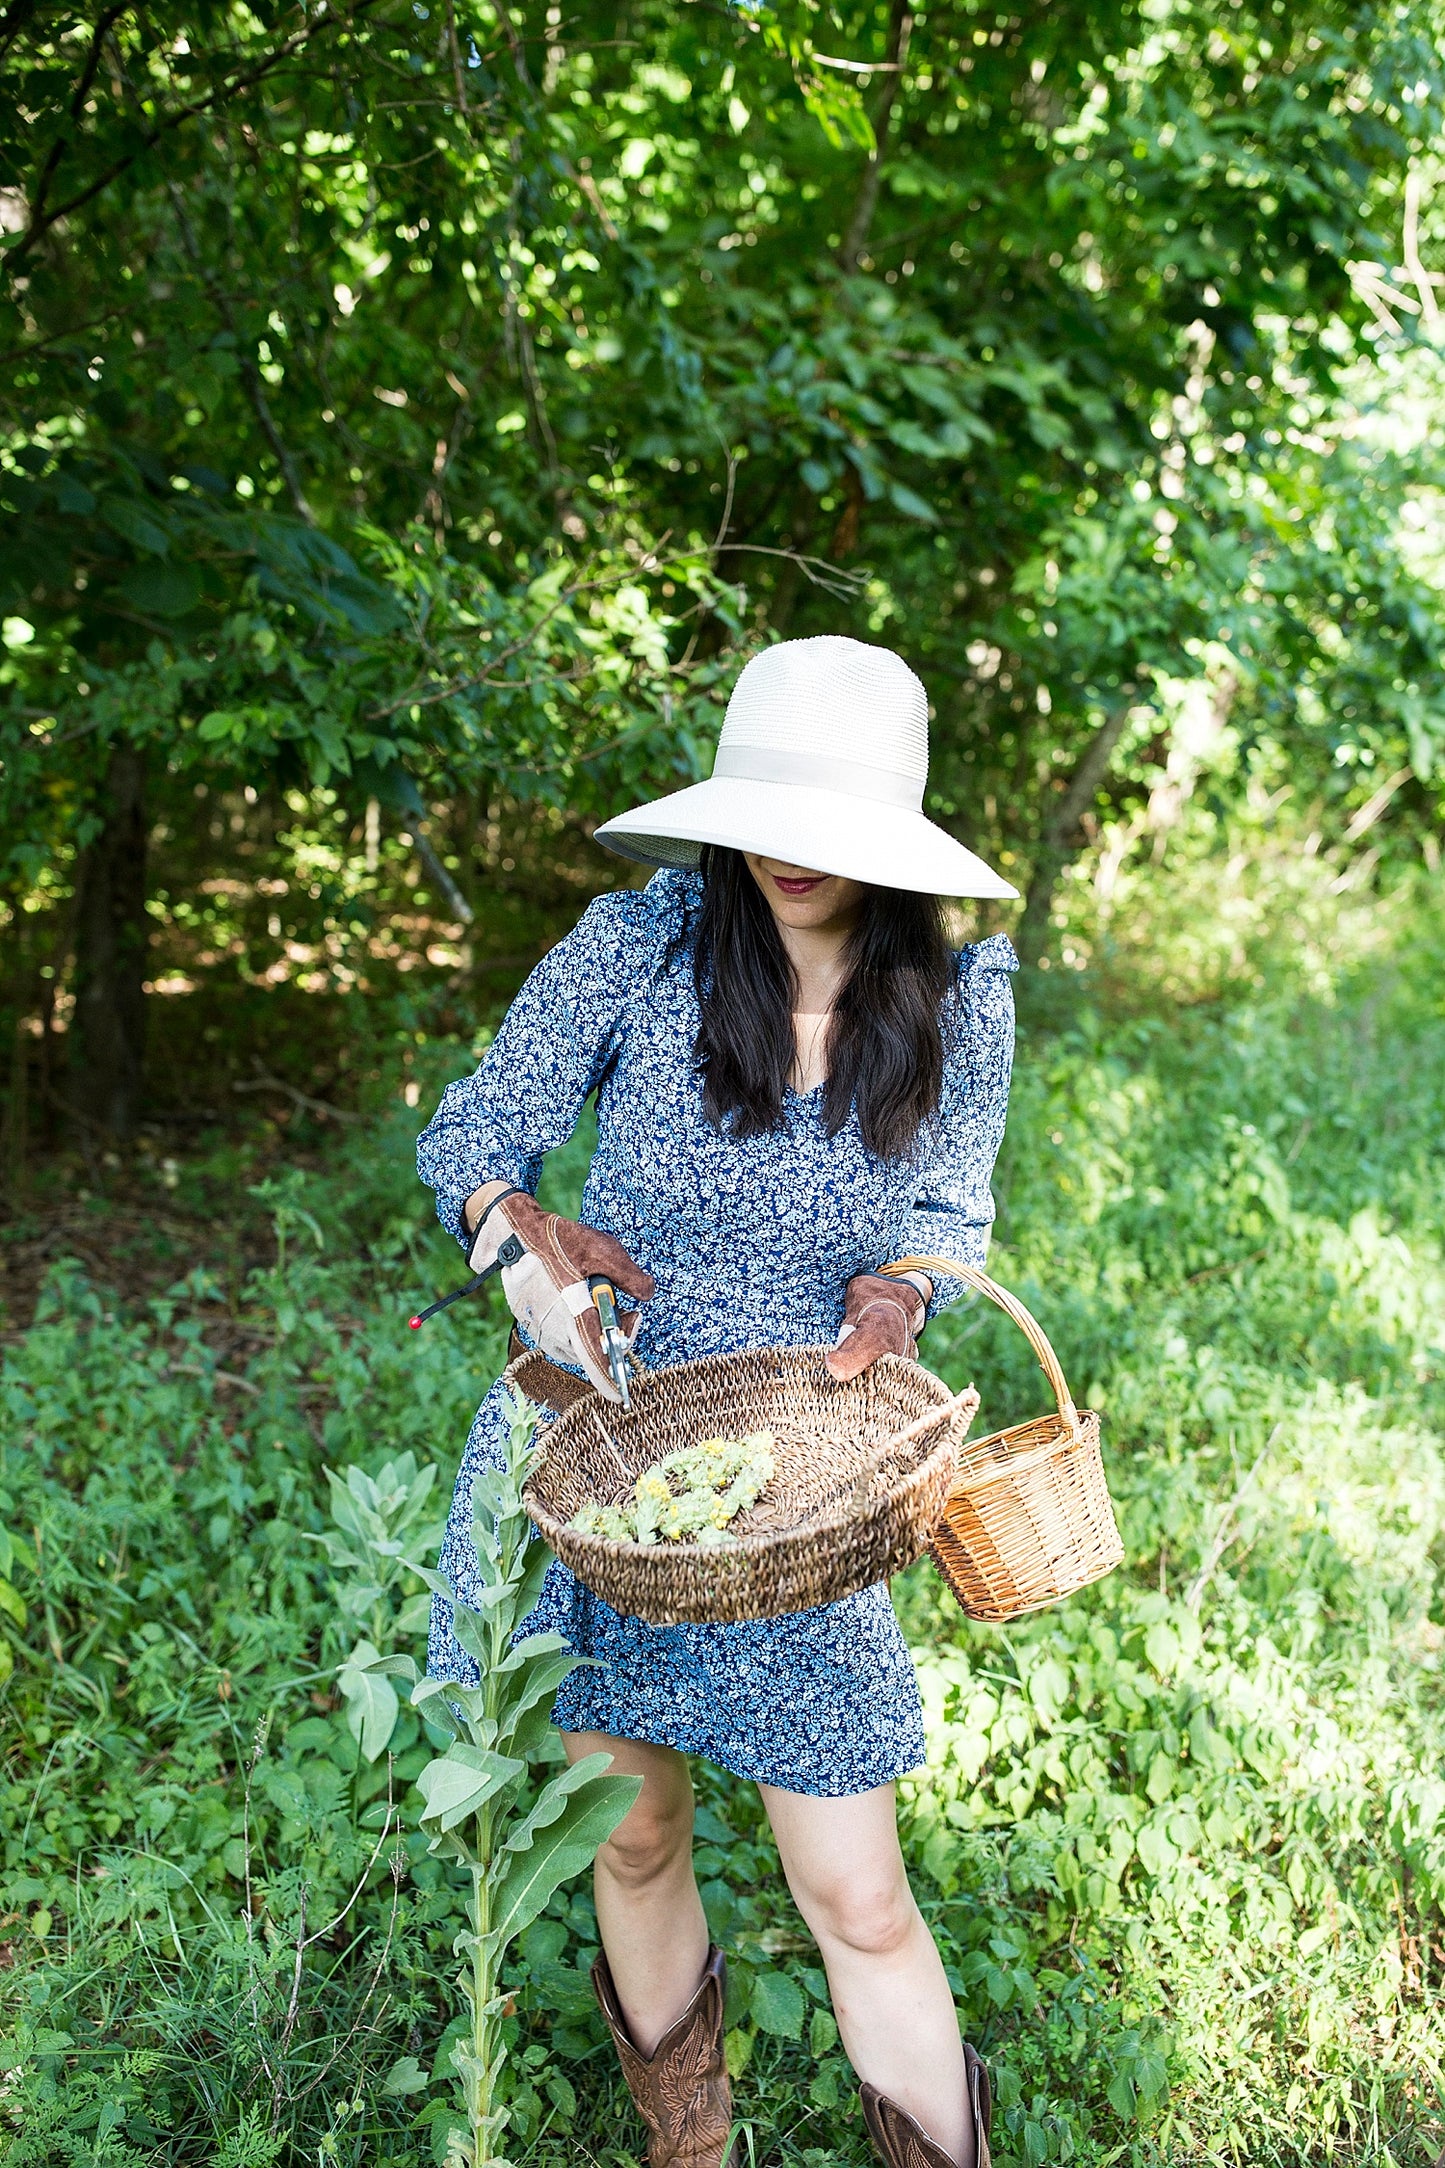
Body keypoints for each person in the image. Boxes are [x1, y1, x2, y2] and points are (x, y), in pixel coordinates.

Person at [418, 636, 1019, 2168]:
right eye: (762, 813)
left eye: (824, 830)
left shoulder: (959, 993)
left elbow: (945, 1211)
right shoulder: (643, 945)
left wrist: (905, 1286)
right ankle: (691, 2151)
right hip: (608, 1445)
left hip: (804, 1477)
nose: (783, 857)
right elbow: (480, 1129)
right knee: (633, 1833)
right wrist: (525, 1240)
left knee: (859, 1894)